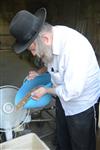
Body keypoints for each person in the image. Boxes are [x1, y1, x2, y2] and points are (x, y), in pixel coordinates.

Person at [9, 8, 100, 150]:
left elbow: (72, 91)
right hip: (62, 97)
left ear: (45, 39)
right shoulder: (49, 38)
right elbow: (50, 60)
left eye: (33, 49)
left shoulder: (74, 49)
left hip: (81, 103)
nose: (33, 54)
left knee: (81, 143)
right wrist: (39, 73)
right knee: (63, 138)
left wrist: (45, 90)